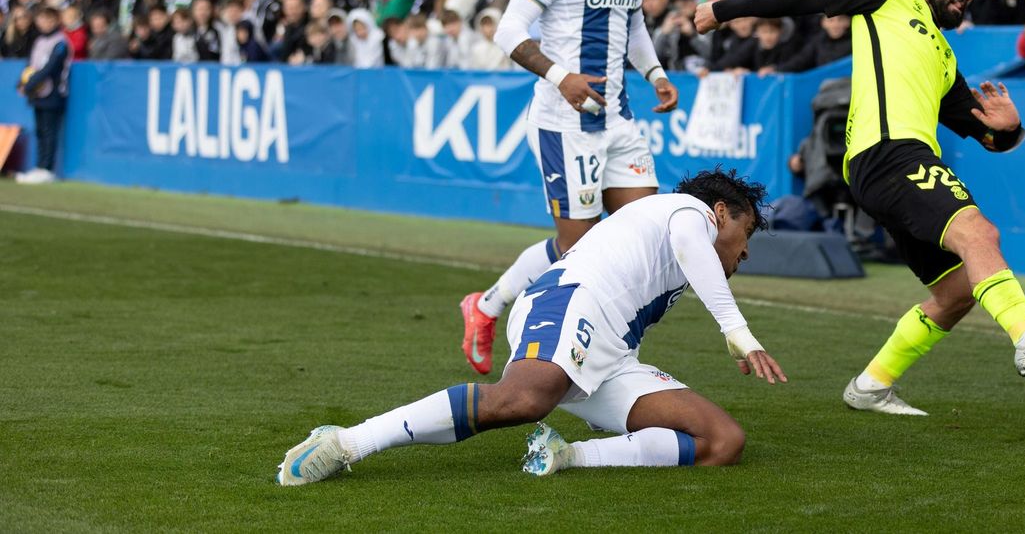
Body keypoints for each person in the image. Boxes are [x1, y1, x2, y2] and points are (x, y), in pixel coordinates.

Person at [695, 0, 1025, 416]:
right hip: (888, 153)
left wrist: (1009, 127)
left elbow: (986, 137)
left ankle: (872, 385)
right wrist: (722, 9)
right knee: (980, 233)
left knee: (956, 294)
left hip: (892, 165)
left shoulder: (944, 57)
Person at [276, 172, 786, 485]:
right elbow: (688, 240)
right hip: (567, 303)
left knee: (722, 441)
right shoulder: (687, 212)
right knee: (523, 399)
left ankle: (565, 456)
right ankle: (348, 442)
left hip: (606, 353)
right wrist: (738, 331)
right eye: (745, 235)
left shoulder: (682, 245)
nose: (744, 251)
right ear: (720, 212)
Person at [460, 0, 680, 375]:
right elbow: (507, 30)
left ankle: (617, 351)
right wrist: (561, 76)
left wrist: (656, 74)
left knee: (642, 239)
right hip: (565, 123)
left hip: (619, 121)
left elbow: (635, 26)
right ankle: (490, 306)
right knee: (579, 249)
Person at [15, 5, 70, 184]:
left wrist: (30, 84)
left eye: (48, 19)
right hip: (37, 94)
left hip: (52, 93)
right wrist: (22, 82)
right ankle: (39, 166)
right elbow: (31, 65)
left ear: (55, 21)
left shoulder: (60, 42)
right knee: (39, 130)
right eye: (42, 19)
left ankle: (47, 168)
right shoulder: (39, 41)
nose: (44, 23)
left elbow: (51, 68)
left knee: (49, 130)